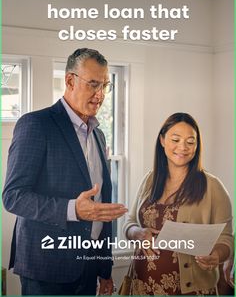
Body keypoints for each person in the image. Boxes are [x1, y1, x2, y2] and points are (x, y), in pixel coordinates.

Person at [3, 48, 128, 296]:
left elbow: (100, 206)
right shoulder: (36, 125)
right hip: (46, 269)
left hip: (89, 267)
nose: (100, 94)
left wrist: (104, 267)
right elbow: (13, 196)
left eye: (105, 85)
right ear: (70, 80)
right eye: (93, 84)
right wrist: (72, 209)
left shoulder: (99, 134)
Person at [123, 112, 233, 295]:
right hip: (141, 286)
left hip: (189, 291)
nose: (183, 147)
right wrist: (138, 233)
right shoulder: (150, 180)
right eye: (175, 139)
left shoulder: (212, 186)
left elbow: (227, 239)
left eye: (190, 142)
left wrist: (216, 256)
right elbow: (129, 222)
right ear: (162, 140)